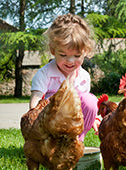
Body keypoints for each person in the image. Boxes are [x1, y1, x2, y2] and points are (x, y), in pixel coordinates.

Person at [29, 13, 100, 141]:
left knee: (90, 101)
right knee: (60, 98)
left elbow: (84, 107)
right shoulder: (44, 74)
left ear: (86, 52)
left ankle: (77, 141)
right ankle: (51, 142)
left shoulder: (83, 77)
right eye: (63, 55)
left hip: (72, 124)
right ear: (53, 50)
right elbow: (34, 105)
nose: (70, 61)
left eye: (77, 56)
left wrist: (93, 118)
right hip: (49, 125)